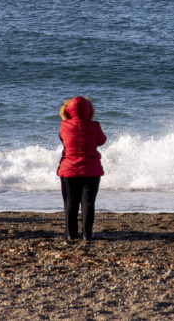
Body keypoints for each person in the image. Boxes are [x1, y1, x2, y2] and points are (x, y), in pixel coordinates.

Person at [57, 96, 107, 241]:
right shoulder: (94, 126)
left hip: (68, 170)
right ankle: (87, 234)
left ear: (67, 110)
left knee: (70, 202)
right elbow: (102, 140)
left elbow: (62, 139)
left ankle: (71, 234)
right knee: (88, 203)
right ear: (89, 110)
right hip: (91, 170)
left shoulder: (64, 126)